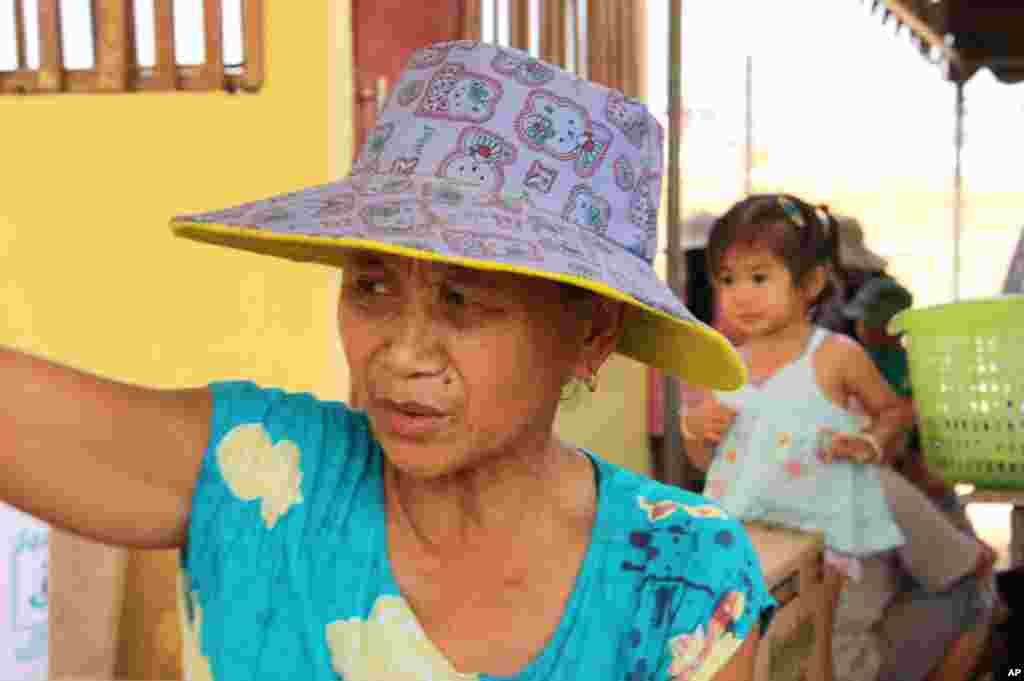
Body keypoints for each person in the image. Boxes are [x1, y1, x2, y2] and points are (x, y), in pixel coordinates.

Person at [1, 42, 775, 680]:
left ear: (591, 334)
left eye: (462, 302)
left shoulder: (678, 580)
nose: (402, 353)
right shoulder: (263, 474)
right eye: (370, 286)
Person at [679, 193, 997, 679]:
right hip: (754, 541)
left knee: (843, 644)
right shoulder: (726, 367)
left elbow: (892, 412)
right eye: (728, 279)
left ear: (810, 283)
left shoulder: (834, 355)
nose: (740, 294)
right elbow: (708, 462)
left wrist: (870, 440)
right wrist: (694, 430)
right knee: (760, 649)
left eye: (759, 277)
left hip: (834, 535)